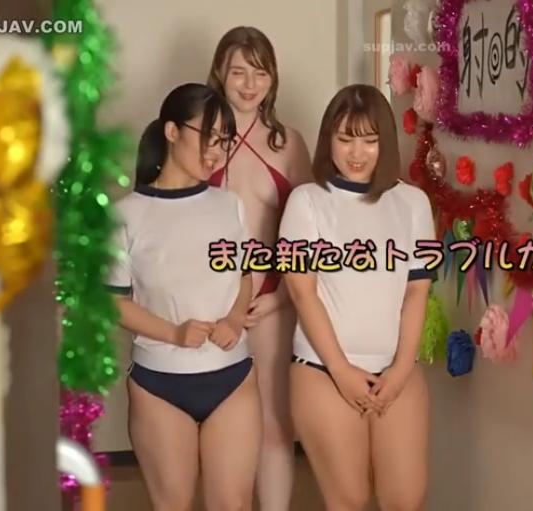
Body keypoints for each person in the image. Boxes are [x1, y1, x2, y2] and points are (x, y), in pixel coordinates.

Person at [279, 84, 435, 511]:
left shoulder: (413, 203)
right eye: (345, 139)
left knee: (406, 498)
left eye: (369, 140)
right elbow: (302, 292)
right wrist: (341, 370)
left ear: (386, 142)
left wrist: (401, 370)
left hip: (396, 370)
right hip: (322, 370)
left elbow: (417, 291)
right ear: (328, 139)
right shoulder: (306, 201)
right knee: (348, 498)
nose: (356, 153)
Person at [106, 83, 261, 511]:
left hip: (232, 377)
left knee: (233, 504)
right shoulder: (125, 215)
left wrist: (234, 318)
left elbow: (244, 275)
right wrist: (174, 333)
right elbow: (114, 302)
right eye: (207, 136)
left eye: (224, 140)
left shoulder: (230, 205)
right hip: (159, 384)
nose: (216, 151)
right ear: (172, 131)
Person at [205, 26, 311, 511]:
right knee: (217, 424)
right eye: (238, 73)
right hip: (208, 297)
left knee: (273, 422)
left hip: (272, 295)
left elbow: (310, 231)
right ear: (219, 74)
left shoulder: (289, 142)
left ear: (273, 78)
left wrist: (281, 296)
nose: (250, 85)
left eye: (260, 73)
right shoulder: (199, 139)